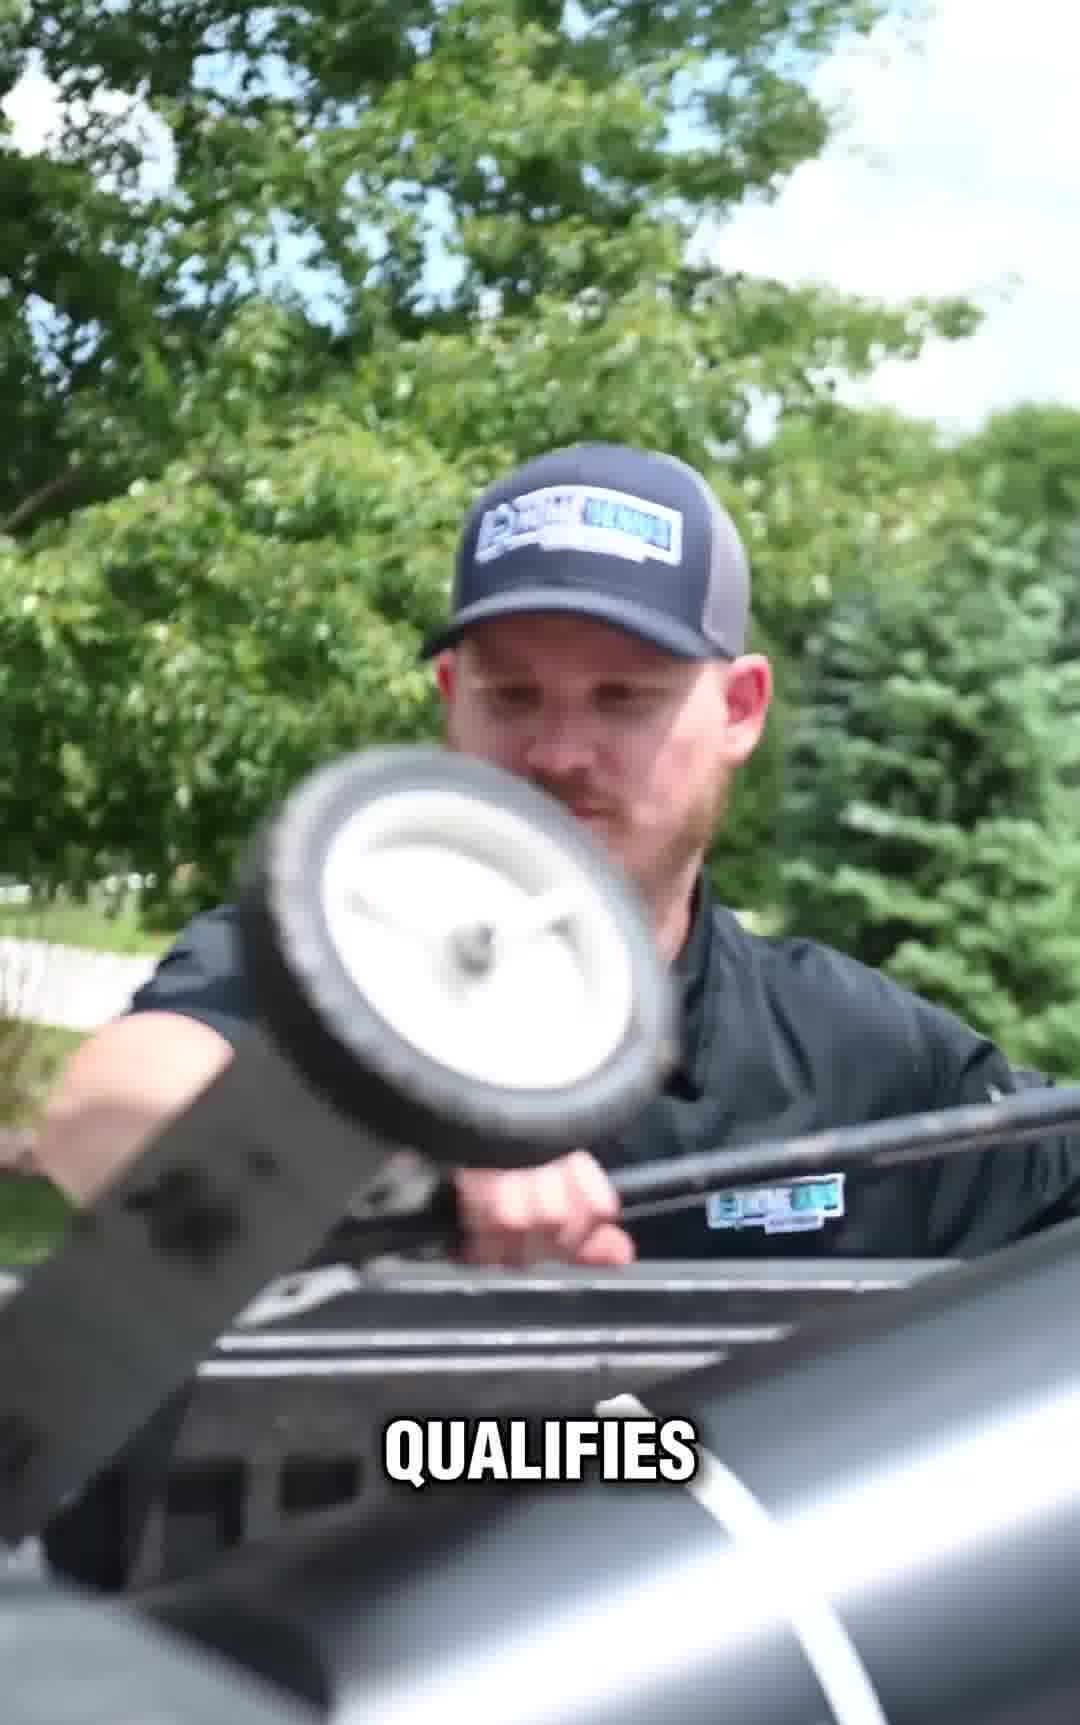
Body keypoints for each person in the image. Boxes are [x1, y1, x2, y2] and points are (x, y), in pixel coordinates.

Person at [36, 441, 1080, 1266]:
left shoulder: (852, 1051)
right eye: (512, 696)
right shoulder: (332, 959)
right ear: (453, 699)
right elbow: (101, 1115)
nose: (559, 753)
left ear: (740, 708)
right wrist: (407, 1155)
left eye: (624, 698)